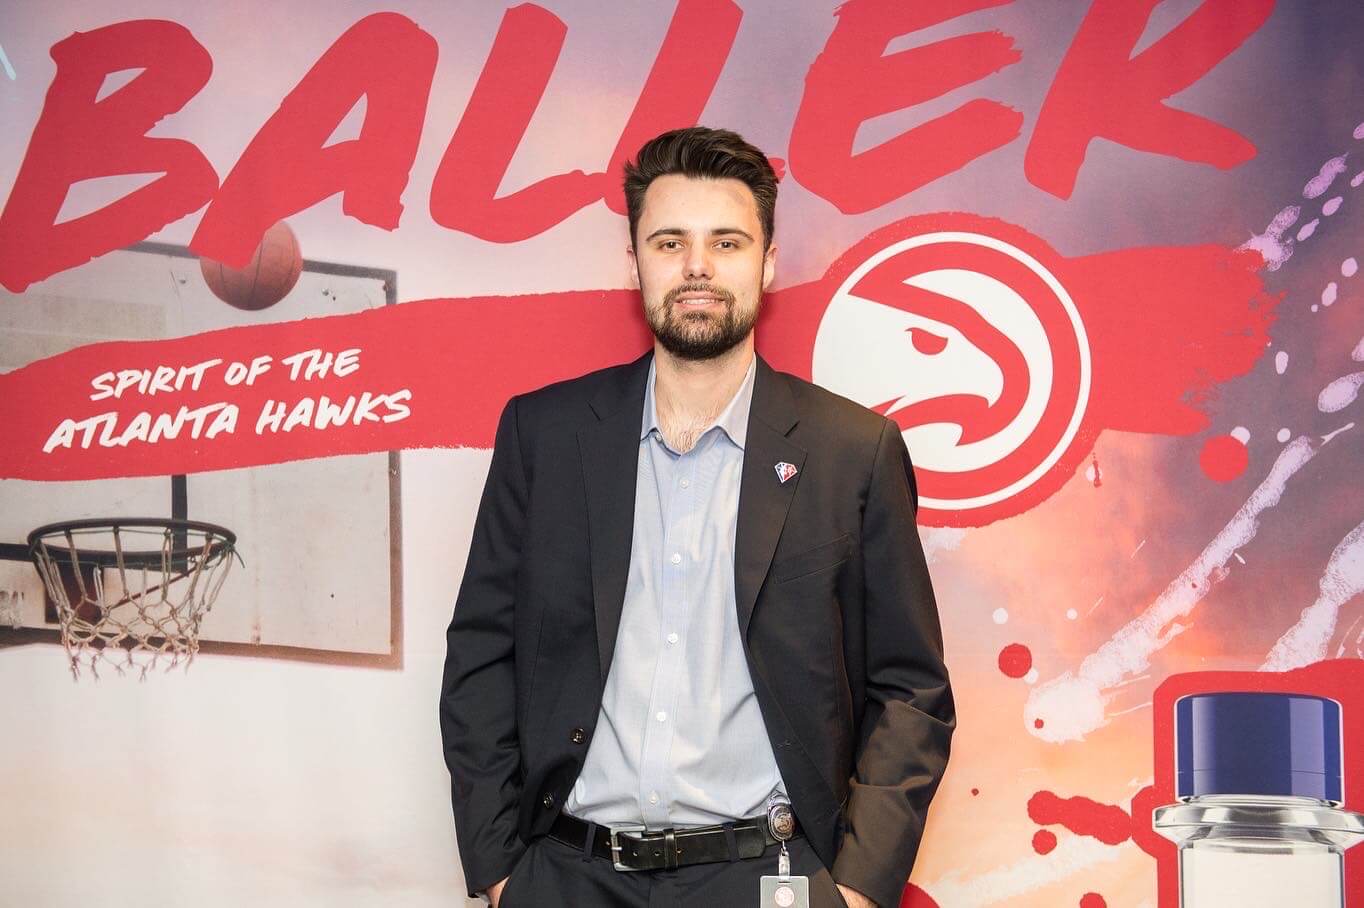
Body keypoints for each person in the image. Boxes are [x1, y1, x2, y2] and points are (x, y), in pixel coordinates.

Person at [440, 126, 954, 908]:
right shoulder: (543, 435)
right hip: (565, 878)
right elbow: (481, 653)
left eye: (727, 242)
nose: (697, 267)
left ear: (768, 262)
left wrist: (856, 889)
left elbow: (910, 689)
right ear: (635, 262)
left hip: (770, 877)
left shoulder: (854, 451)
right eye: (670, 242)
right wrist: (503, 872)